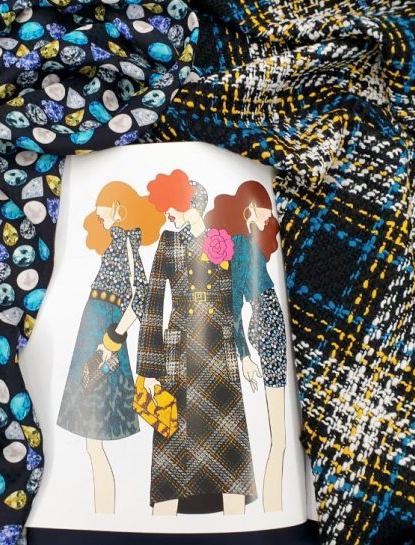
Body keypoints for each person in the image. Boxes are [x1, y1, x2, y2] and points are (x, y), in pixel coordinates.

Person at [137, 169, 257, 516]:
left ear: (192, 204)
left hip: (219, 350)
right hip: (178, 353)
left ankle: (237, 527)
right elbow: (153, 302)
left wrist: (244, 354)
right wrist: (148, 369)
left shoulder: (221, 241)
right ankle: (161, 529)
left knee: (229, 454)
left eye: (173, 204)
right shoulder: (168, 242)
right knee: (172, 451)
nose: (168, 213)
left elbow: (232, 305)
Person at [57, 181, 164, 513]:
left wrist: (113, 339)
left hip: (102, 337)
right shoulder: (116, 242)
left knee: (94, 444)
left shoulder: (126, 241)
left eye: (102, 204)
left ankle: (106, 515)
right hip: (93, 332)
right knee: (92, 445)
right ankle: (104, 514)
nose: (97, 212)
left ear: (118, 207)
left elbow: (140, 297)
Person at [205, 181, 288, 512]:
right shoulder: (240, 245)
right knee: (279, 438)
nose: (270, 216)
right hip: (267, 328)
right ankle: (274, 510)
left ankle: (274, 508)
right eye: (265, 209)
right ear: (250, 208)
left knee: (280, 439)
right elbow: (232, 305)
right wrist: (244, 355)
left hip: (270, 327)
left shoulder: (250, 243)